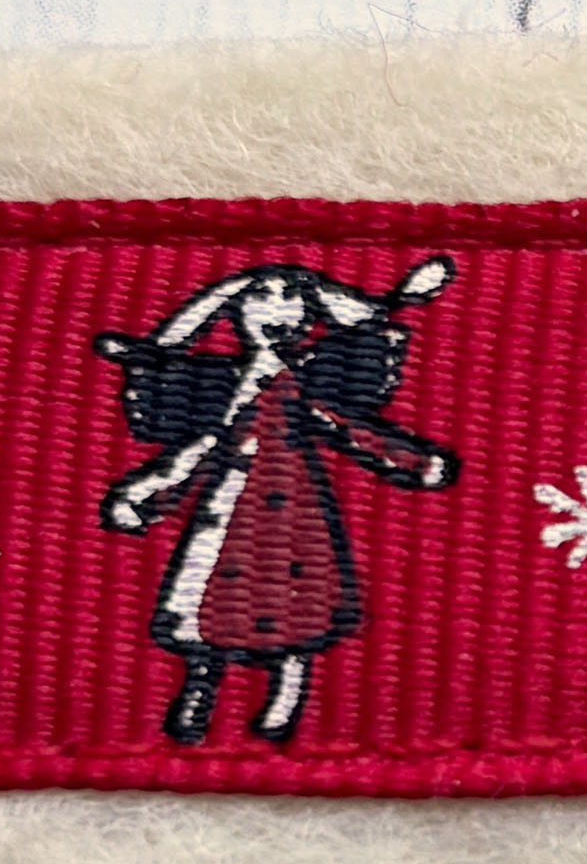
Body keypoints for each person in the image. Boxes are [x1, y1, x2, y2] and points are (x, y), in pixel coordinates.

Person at [96, 257, 461, 745]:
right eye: (262, 297)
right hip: (229, 508)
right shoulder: (226, 390)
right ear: (234, 310)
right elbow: (200, 451)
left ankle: (286, 694)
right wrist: (145, 494)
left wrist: (412, 462)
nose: (278, 310)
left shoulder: (300, 387)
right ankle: (202, 684)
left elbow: (345, 429)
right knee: (210, 591)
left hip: (293, 508)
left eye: (292, 299)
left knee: (297, 598)